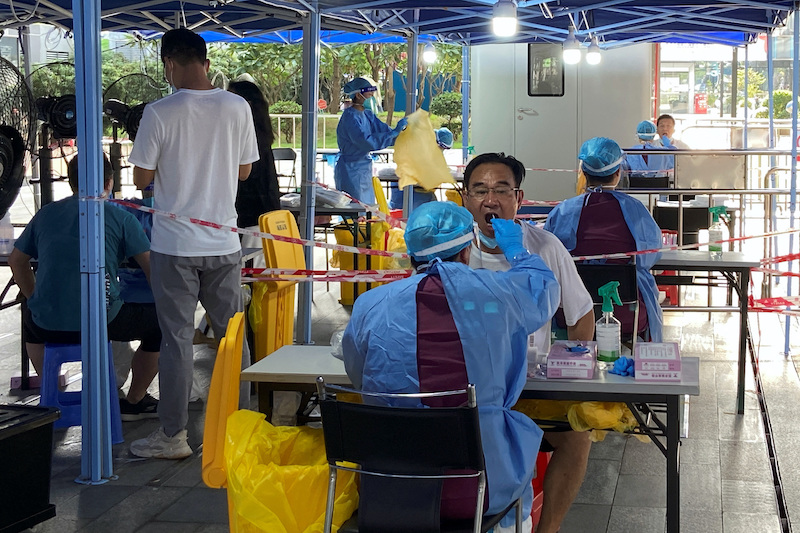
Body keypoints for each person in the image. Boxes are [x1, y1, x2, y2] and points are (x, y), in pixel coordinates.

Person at [343, 201, 560, 533]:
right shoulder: (495, 294)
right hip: (480, 490)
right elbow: (542, 288)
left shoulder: (370, 305)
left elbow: (359, 377)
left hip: (393, 488)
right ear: (466, 250)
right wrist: (516, 249)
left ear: (411, 252)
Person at [128, 28, 259, 459]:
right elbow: (243, 173)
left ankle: (174, 437)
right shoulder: (237, 105)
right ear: (206, 61)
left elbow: (141, 179)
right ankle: (235, 429)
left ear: (168, 63)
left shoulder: (159, 112)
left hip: (173, 244)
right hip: (223, 240)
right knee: (230, 337)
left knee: (177, 340)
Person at [462, 152, 594, 533]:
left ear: (519, 199)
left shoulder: (544, 247)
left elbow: (581, 313)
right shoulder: (453, 247)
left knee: (576, 438)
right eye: (480, 190)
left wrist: (573, 363)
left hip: (528, 388)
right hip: (465, 390)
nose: (491, 200)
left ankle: (546, 528)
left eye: (502, 190)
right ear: (466, 199)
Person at [9, 155, 161, 421]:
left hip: (47, 323)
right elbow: (153, 272)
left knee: (31, 319)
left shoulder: (45, 213)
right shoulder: (120, 217)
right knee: (160, 326)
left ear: (71, 183)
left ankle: (53, 398)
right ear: (110, 182)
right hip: (102, 322)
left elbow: (16, 261)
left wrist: (36, 297)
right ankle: (135, 400)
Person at [544, 137, 664, 342]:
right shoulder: (636, 210)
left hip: (573, 314)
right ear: (618, 172)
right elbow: (651, 256)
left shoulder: (563, 211)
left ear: (583, 172)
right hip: (628, 312)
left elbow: (548, 255)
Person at [334, 77, 407, 204]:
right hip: (350, 169)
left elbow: (383, 132)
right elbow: (366, 141)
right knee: (355, 210)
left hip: (363, 167)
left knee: (366, 209)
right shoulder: (350, 118)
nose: (372, 96)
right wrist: (393, 133)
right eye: (369, 93)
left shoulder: (367, 115)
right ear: (358, 94)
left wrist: (400, 135)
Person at [228, 80, 281, 254]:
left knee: (252, 273)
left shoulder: (250, 136)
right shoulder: (259, 133)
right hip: (261, 213)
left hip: (252, 216)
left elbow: (243, 174)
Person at [387, 127, 453, 210]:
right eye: (442, 146)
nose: (442, 149)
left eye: (445, 148)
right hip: (407, 190)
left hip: (419, 191)